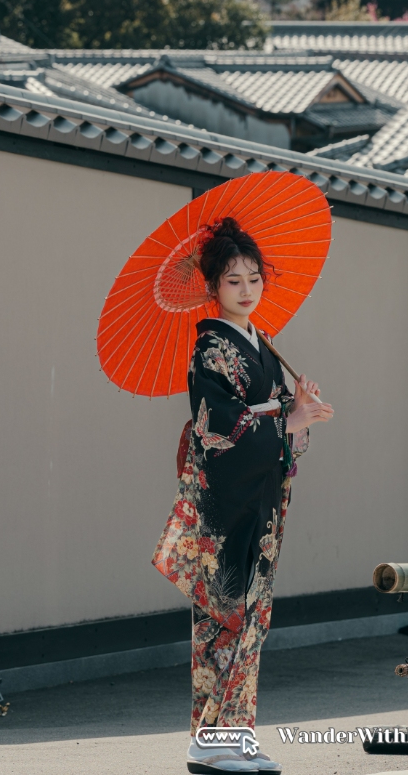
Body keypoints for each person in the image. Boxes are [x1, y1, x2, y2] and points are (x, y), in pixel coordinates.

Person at [154, 217, 334, 774]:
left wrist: (297, 415)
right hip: (227, 510)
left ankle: (235, 736)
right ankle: (208, 740)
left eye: (254, 278)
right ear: (213, 288)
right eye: (233, 281)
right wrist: (287, 420)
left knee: (251, 621)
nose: (247, 289)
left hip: (257, 507)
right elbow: (218, 432)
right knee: (224, 617)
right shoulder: (211, 350)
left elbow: (275, 431)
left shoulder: (259, 347)